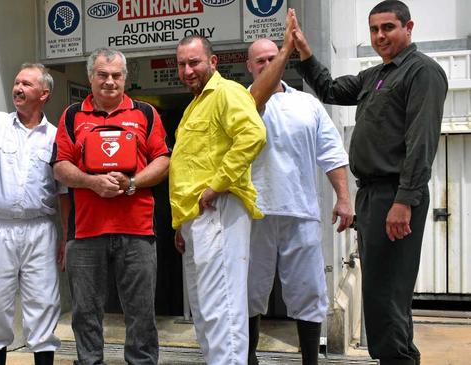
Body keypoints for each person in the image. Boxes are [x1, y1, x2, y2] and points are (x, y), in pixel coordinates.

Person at [292, 1, 448, 364]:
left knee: (387, 294)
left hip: (394, 194)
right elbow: (330, 89)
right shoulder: (377, 75)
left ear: (409, 28)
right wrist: (304, 52)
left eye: (388, 28)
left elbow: (421, 141)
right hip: (373, 196)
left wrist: (404, 201)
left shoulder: (422, 72)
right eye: (374, 29)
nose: (380, 36)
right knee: (380, 292)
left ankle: (397, 359)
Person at [169, 9, 297, 364]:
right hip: (198, 219)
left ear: (212, 61)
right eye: (181, 64)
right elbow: (191, 165)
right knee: (207, 310)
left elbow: (253, 134)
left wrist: (217, 185)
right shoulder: (196, 105)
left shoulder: (227, 92)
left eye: (194, 62)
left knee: (222, 309)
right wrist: (181, 222)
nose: (187, 71)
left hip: (219, 212)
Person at [52, 48, 170, 365]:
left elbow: (163, 160)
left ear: (125, 78)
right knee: (85, 312)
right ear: (91, 77)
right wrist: (92, 182)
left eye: (116, 75)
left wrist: (131, 183)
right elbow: (60, 165)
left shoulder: (145, 113)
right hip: (86, 231)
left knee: (141, 311)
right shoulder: (72, 115)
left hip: (137, 230)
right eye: (102, 75)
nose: (109, 81)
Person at [244, 38, 354, 365]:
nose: (266, 65)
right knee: (247, 293)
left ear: (283, 61)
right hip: (252, 214)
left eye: (271, 58)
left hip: (301, 212)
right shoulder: (239, 101)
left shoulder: (308, 105)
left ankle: (310, 361)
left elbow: (332, 153)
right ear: (249, 66)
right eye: (259, 61)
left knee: (310, 292)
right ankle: (248, 358)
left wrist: (344, 198)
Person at [0, 45, 66, 364]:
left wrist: (65, 235)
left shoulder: (56, 137)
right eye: (17, 82)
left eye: (27, 84)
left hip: (40, 230)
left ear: (44, 93)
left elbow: (62, 192)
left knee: (44, 303)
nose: (18, 88)